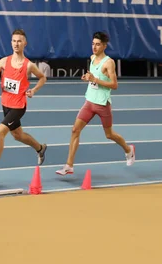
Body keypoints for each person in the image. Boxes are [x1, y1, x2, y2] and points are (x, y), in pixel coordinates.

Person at [56, 32, 135, 176]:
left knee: (109, 134)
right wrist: (88, 78)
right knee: (75, 130)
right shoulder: (92, 58)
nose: (94, 47)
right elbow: (93, 78)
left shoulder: (108, 62)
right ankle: (69, 165)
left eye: (98, 44)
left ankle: (128, 150)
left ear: (104, 46)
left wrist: (95, 79)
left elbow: (114, 85)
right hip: (89, 101)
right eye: (93, 44)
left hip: (102, 104)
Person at [0, 29, 48, 181]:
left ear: (25, 43)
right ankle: (40, 148)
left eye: (19, 41)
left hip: (18, 106)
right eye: (14, 41)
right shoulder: (4, 61)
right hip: (5, 104)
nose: (16, 44)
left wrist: (34, 90)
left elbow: (43, 78)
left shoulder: (29, 65)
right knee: (18, 135)